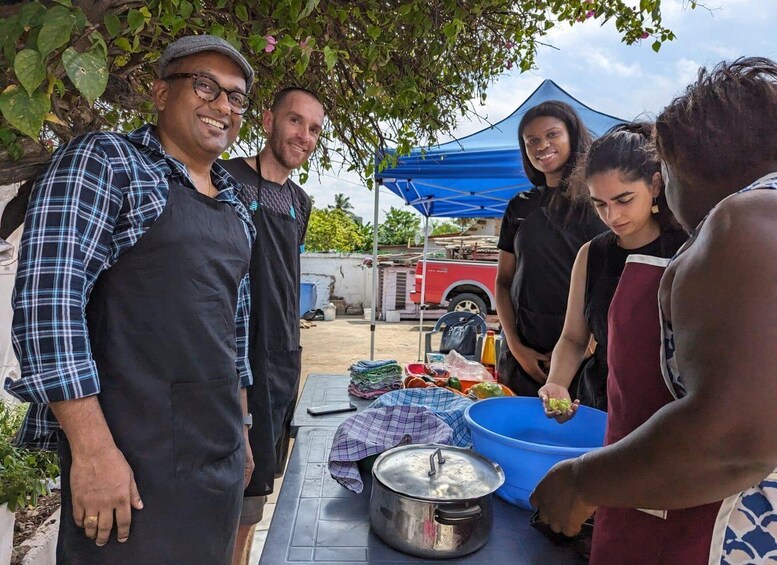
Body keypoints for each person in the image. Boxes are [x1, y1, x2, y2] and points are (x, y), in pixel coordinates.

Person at [4, 35, 257, 564]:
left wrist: (244, 431)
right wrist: (93, 453)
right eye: (205, 86)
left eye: (236, 98)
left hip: (220, 458)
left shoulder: (237, 206)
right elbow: (48, 303)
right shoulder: (108, 162)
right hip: (129, 462)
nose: (223, 107)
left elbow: (233, 333)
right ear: (161, 93)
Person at [530, 57, 777, 564]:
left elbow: (733, 440)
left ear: (673, 170)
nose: (613, 215)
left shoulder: (746, 219)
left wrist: (581, 482)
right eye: (601, 205)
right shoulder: (597, 254)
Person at [219, 87, 325, 565]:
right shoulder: (226, 177)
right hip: (229, 353)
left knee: (255, 493)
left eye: (314, 129)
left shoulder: (300, 202)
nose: (304, 136)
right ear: (267, 120)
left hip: (280, 357)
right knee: (223, 488)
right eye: (294, 121)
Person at [538, 123, 686, 415]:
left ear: (655, 185)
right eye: (600, 204)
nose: (612, 216)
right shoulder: (591, 254)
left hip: (670, 415)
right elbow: (573, 338)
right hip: (601, 405)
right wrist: (557, 383)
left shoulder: (687, 249)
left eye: (624, 200)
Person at [496, 101, 606, 397]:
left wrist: (591, 346)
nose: (542, 145)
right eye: (532, 140)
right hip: (523, 360)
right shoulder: (519, 206)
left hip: (585, 360)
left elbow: (612, 281)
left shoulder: (598, 204)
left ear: (572, 136)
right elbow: (503, 282)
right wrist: (517, 348)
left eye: (552, 134)